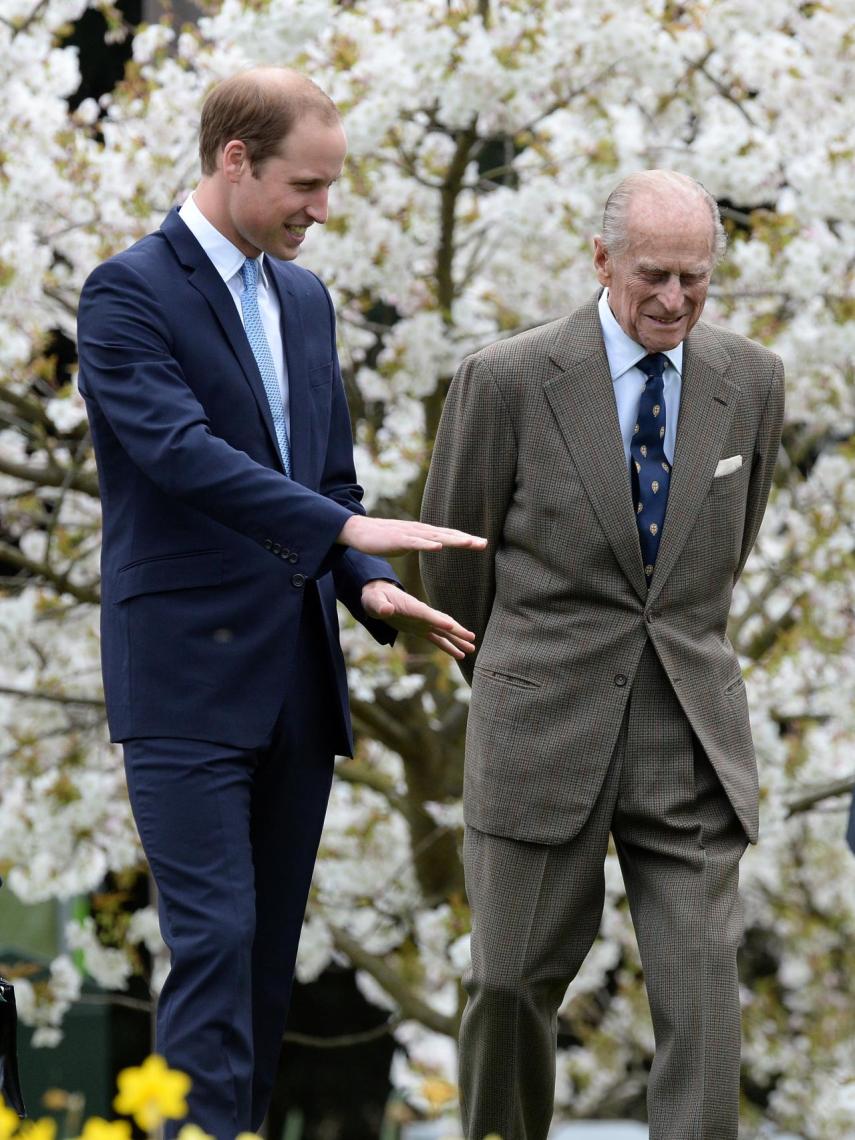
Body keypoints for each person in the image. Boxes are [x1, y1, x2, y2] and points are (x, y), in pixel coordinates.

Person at [76, 67, 485, 1139]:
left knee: (262, 962)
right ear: (234, 160)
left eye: (333, 186)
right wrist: (340, 532)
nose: (322, 209)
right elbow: (175, 453)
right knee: (210, 939)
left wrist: (373, 582)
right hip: (183, 681)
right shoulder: (126, 293)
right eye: (306, 185)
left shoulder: (306, 301)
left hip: (297, 681)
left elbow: (329, 485)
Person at [420, 170, 785, 1140]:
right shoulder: (504, 381)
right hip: (541, 728)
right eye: (654, 277)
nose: (674, 301)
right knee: (505, 986)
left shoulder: (749, 382)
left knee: (705, 1011)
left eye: (695, 282)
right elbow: (453, 574)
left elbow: (720, 552)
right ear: (600, 261)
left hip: (689, 736)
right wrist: (520, 681)